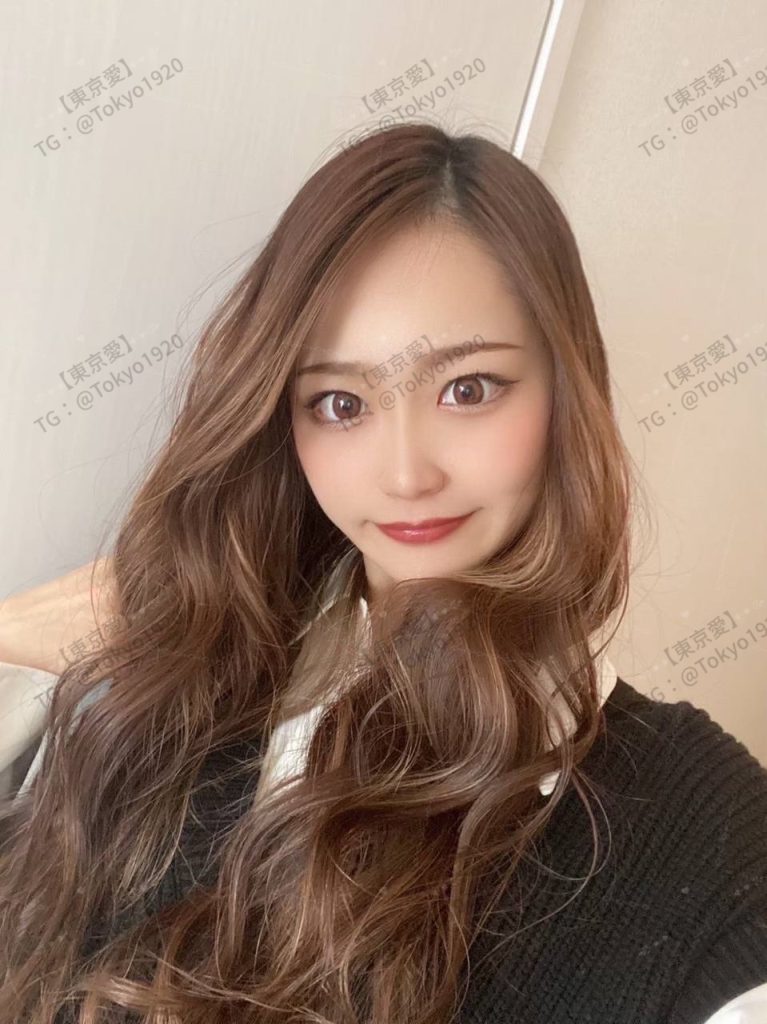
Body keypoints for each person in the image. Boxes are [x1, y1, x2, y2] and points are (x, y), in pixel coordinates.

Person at [0, 122, 765, 1024]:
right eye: (340, 403)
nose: (405, 474)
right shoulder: (151, 696)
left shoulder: (705, 833)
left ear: (568, 387)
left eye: (468, 389)